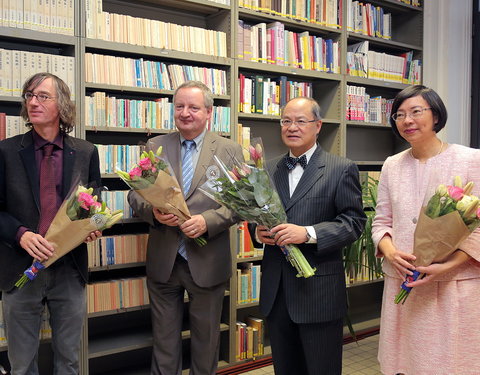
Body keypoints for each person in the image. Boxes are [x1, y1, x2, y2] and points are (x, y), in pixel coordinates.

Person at [128, 81, 243, 375]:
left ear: (209, 112)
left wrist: (209, 221)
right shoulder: (155, 146)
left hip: (208, 262)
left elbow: (242, 204)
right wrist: (153, 211)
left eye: (193, 107)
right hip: (165, 260)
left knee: (206, 343)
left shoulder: (230, 150)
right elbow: (134, 193)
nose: (185, 113)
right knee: (164, 342)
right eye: (179, 106)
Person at [372, 85, 480, 375]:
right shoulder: (392, 165)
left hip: (453, 286)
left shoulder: (472, 160)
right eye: (400, 114)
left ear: (435, 116)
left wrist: (447, 266)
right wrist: (390, 252)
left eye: (416, 111)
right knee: (405, 363)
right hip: (403, 280)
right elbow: (381, 221)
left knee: (450, 364)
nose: (407, 120)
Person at [253, 97, 366, 375]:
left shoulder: (341, 168)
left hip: (318, 292)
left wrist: (308, 233)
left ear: (318, 126)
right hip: (277, 292)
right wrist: (257, 233)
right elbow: (258, 215)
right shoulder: (266, 169)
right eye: (286, 121)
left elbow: (354, 223)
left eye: (300, 121)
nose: (292, 127)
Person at [0, 72, 102, 374]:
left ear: (62, 105)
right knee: (21, 364)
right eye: (29, 95)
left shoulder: (86, 152)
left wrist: (93, 225)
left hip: (69, 270)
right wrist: (21, 235)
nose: (33, 102)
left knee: (69, 361)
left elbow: (93, 205)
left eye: (42, 96)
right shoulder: (6, 151)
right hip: (20, 269)